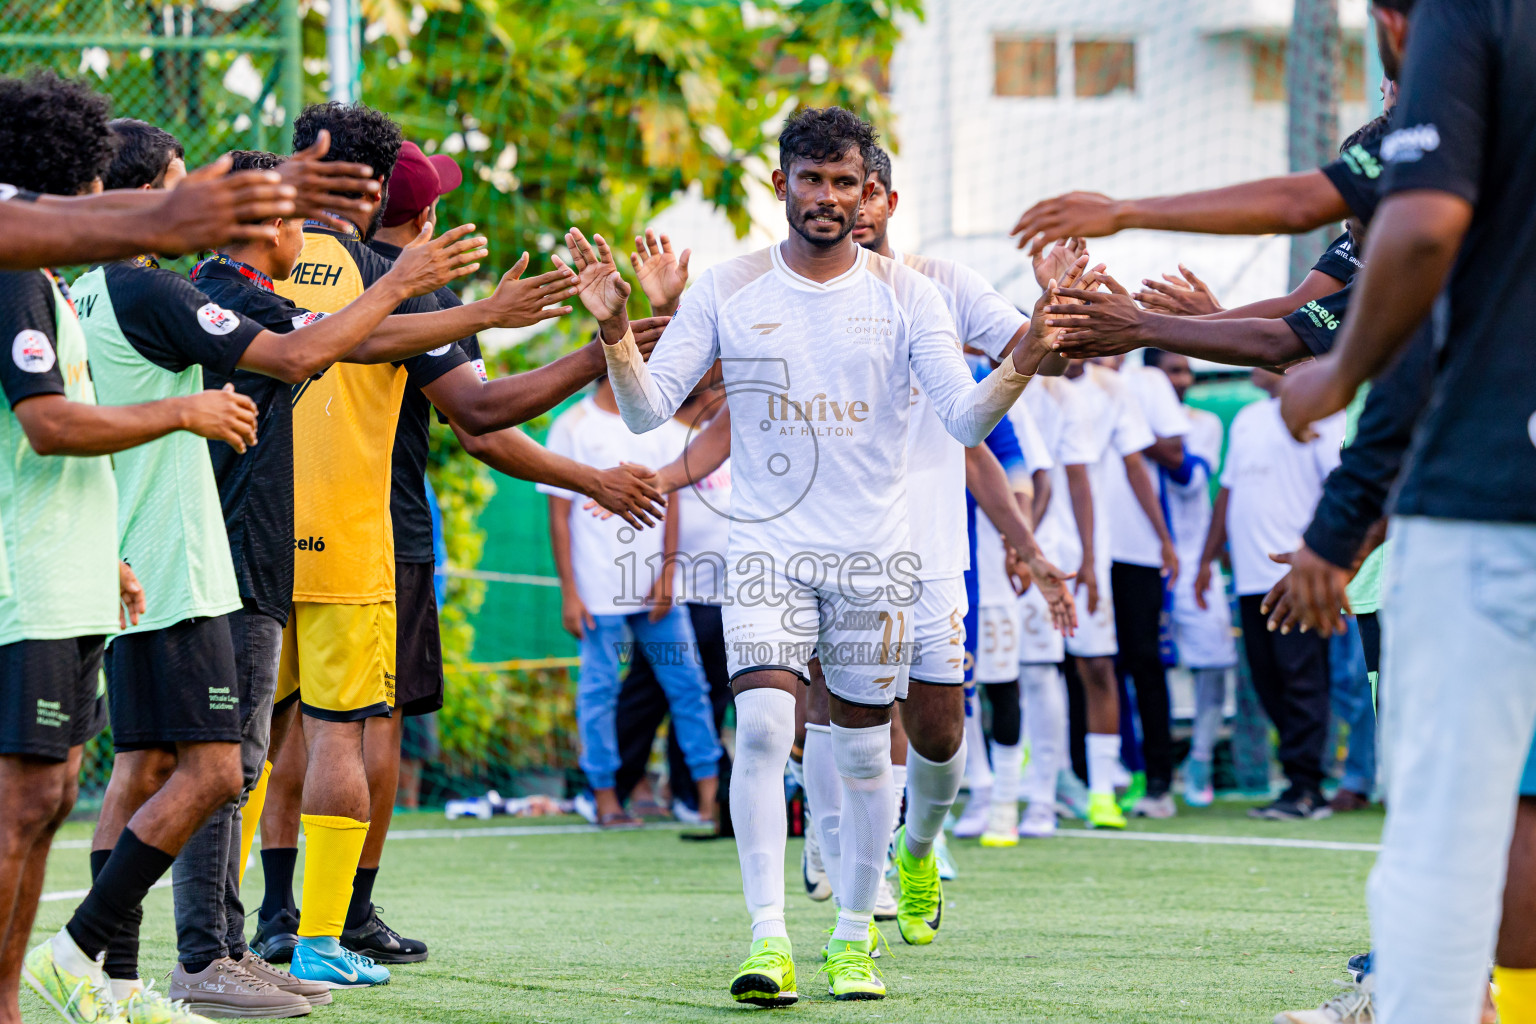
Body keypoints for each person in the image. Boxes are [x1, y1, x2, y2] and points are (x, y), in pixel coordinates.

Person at [569, 106, 1055, 1002]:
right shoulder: (725, 287)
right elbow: (647, 411)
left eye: (843, 182)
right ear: (780, 184)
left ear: (868, 191)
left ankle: (851, 937)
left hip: (878, 559)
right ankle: (768, 941)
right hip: (766, 551)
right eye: (810, 179)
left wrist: (1026, 348)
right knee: (762, 727)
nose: (826, 197)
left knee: (875, 758)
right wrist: (613, 331)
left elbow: (965, 417)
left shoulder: (914, 294)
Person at [57, 115, 486, 1018]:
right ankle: (158, 956)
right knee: (216, 769)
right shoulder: (160, 291)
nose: (197, 199)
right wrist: (410, 283)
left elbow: (326, 340)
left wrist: (461, 309)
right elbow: (308, 350)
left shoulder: (87, 293)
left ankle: (120, 975)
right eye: (183, 181)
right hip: (203, 553)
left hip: (133, 549)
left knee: (141, 767)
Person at [254, 100, 592, 987]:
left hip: (245, 535)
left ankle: (234, 928)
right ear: (377, 193)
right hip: (359, 541)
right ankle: (330, 930)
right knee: (349, 734)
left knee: (249, 739)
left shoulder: (248, 257)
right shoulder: (394, 278)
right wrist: (591, 351)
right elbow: (478, 412)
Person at [0, 72, 260, 1024]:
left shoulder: (53, 287)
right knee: (36, 798)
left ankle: (60, 985)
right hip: (29, 581)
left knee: (56, 795)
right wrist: (183, 408)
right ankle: (58, 978)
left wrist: (99, 548)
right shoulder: (24, 278)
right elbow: (48, 425)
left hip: (75, 575)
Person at [542, 376, 722, 829]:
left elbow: (672, 499)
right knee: (598, 693)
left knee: (690, 692)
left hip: (656, 593)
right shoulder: (572, 426)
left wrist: (667, 573)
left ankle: (709, 803)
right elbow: (559, 516)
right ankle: (604, 799)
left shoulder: (656, 423)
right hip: (598, 592)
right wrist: (570, 592)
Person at [1194, 369, 1344, 821]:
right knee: (1267, 680)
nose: (1252, 363)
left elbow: (1338, 490)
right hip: (1250, 579)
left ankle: (1307, 789)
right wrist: (1207, 557)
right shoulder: (1247, 418)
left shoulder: (1323, 411)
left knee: (1302, 679)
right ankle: (1299, 780)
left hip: (1298, 577)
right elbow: (1230, 491)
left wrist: (1320, 555)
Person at [1058, 357, 1173, 829]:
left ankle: (1109, 788)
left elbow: (1132, 466)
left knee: (1103, 664)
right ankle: (1051, 783)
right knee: (1036, 672)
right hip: (1033, 546)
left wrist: (1163, 537)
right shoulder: (1022, 382)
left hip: (1096, 553)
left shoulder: (1113, 389)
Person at [1142, 351, 1236, 808]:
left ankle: (1199, 757)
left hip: (1194, 561)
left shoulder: (1204, 423)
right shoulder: (1125, 409)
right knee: (1142, 666)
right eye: (1171, 371)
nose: (1182, 379)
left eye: (1185, 370)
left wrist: (1140, 439)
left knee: (1214, 661)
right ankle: (1141, 767)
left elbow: (1191, 479)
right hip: (1138, 560)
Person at [1097, 355, 1187, 817]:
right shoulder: (1057, 380)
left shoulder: (1143, 381)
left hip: (1134, 549)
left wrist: (1164, 539)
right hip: (1078, 553)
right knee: (1086, 668)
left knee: (1144, 663)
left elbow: (1171, 454)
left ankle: (1157, 782)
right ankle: (1097, 777)